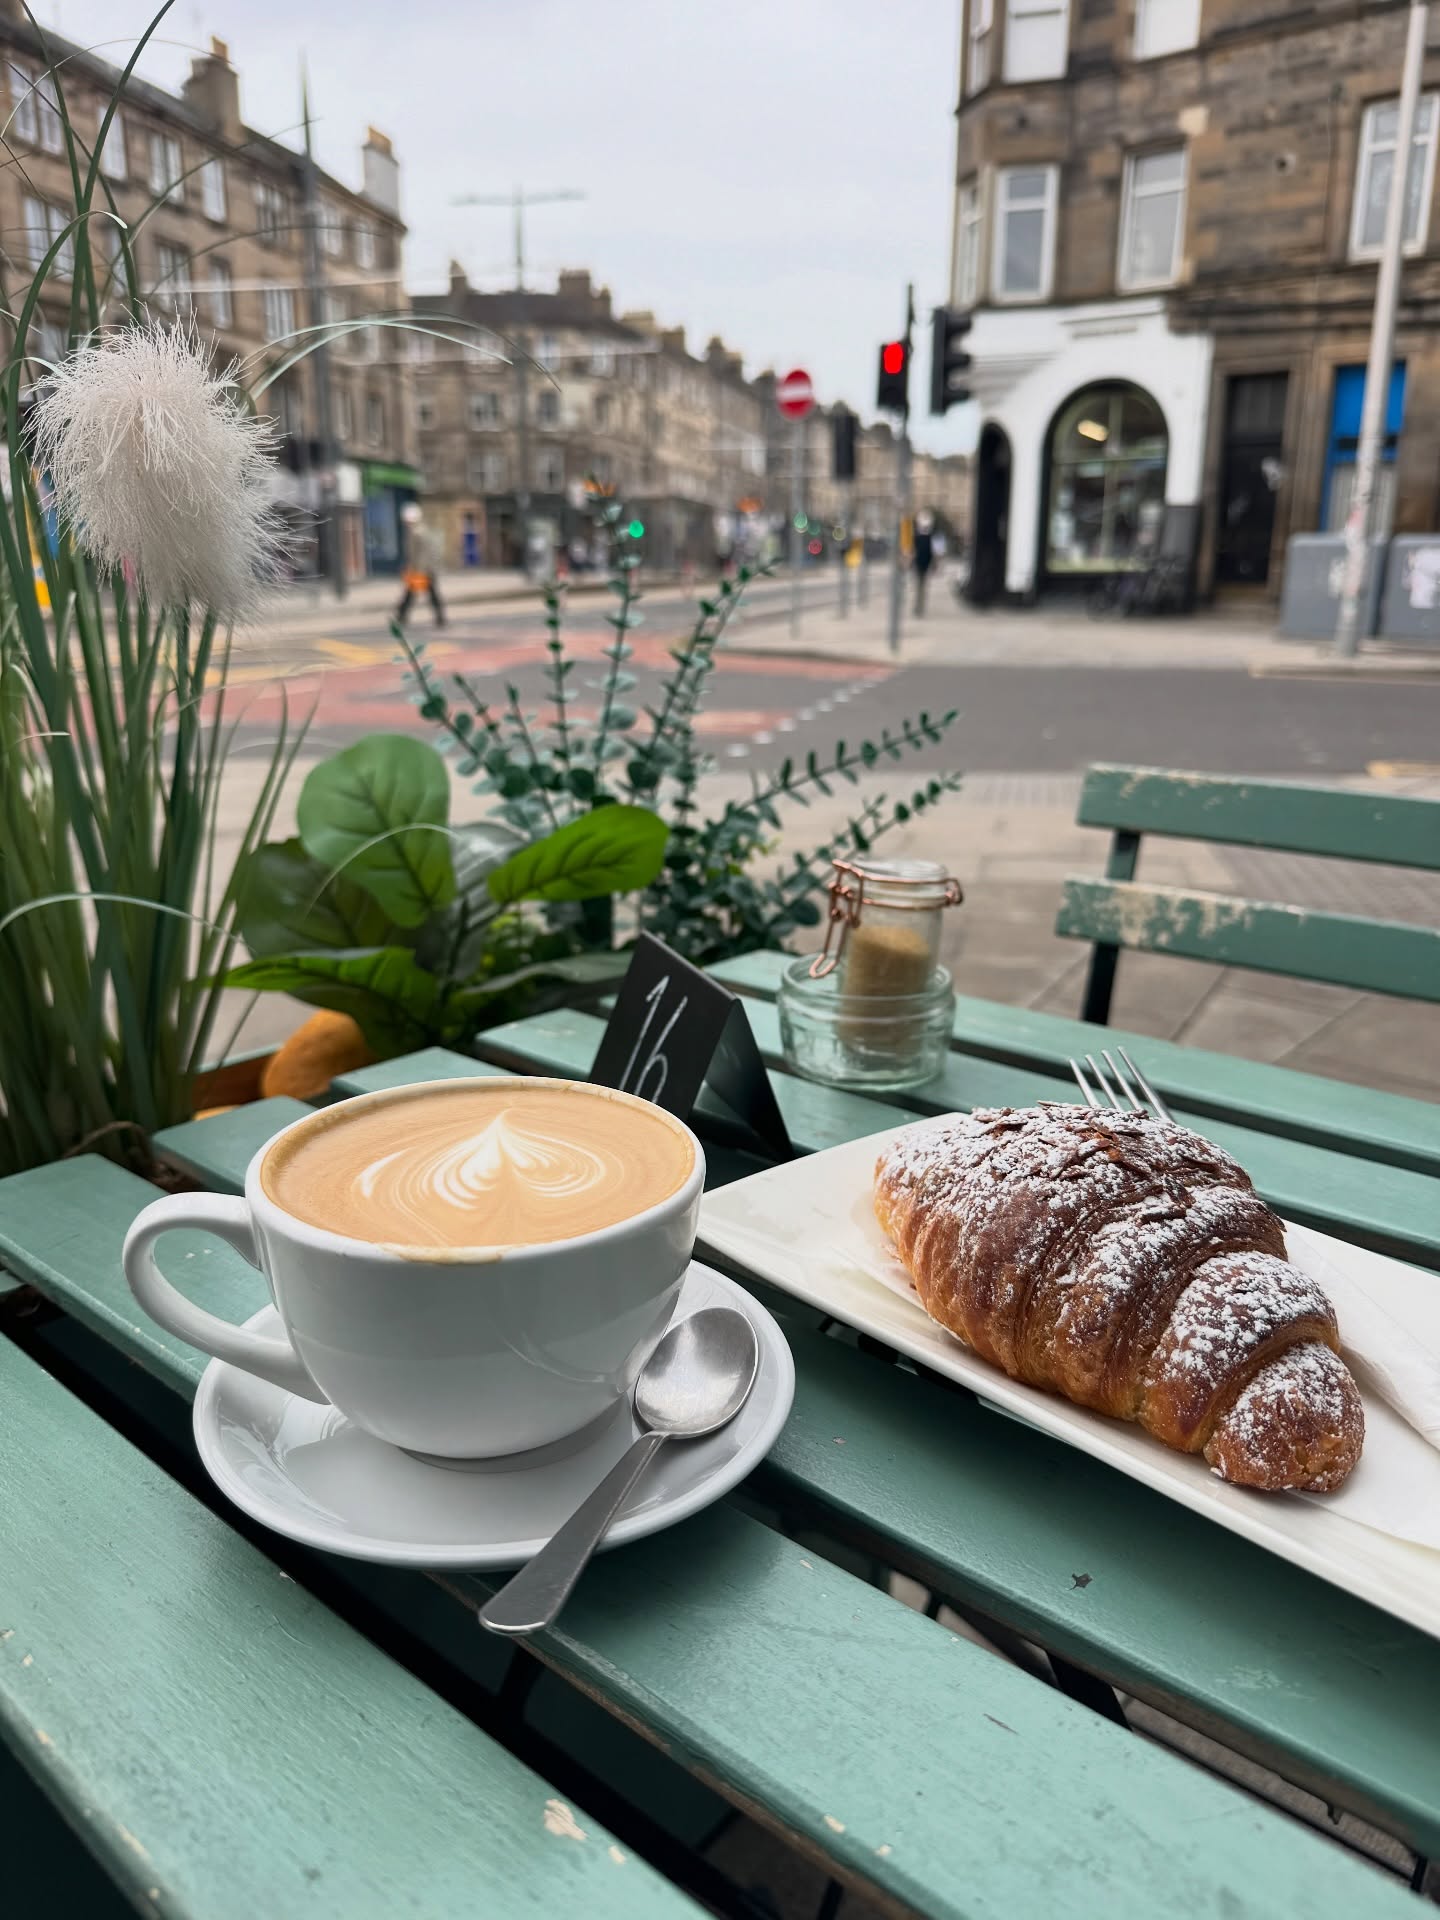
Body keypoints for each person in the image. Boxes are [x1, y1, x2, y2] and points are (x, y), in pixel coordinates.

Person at [395, 503, 446, 627]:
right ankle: (402, 615)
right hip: (425, 568)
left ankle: (403, 615)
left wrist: (417, 570)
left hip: (422, 569)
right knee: (416, 593)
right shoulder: (420, 530)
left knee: (418, 593)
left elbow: (420, 554)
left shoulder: (417, 532)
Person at [912, 509, 935, 616]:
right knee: (920, 587)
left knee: (921, 587)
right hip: (920, 564)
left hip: (923, 565)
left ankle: (919, 608)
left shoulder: (926, 537)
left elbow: (932, 553)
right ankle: (919, 608)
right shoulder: (921, 537)